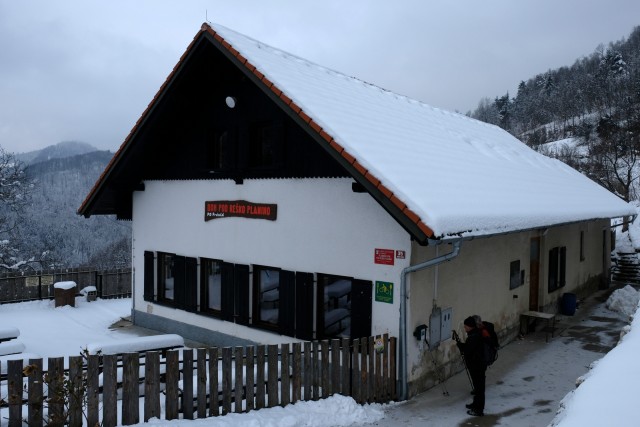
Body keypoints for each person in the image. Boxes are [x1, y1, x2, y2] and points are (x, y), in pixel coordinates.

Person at [456, 315, 486, 416]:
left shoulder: (474, 336)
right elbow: (469, 348)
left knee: (479, 388)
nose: (464, 328)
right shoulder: (475, 334)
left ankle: (478, 410)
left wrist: (461, 346)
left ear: (470, 326)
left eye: (465, 326)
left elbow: (468, 350)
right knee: (477, 387)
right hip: (476, 365)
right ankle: (475, 404)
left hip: (477, 365)